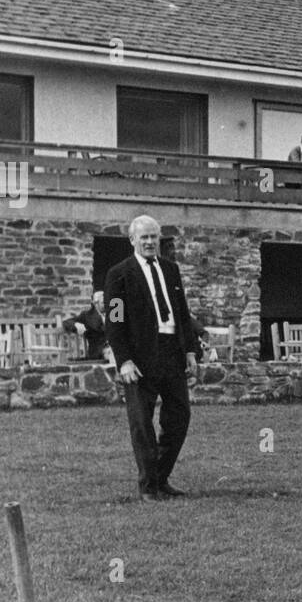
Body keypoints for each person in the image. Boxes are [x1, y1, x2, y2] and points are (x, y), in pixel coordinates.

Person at [104, 214, 202, 502]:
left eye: (153, 236)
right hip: (139, 358)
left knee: (180, 416)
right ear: (132, 240)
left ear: (160, 239)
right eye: (143, 237)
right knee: (142, 423)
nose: (149, 242)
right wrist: (124, 360)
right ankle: (149, 486)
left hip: (172, 351)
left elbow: (182, 313)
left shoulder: (171, 270)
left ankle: (161, 477)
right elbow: (115, 320)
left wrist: (190, 350)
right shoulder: (119, 274)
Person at [62, 291, 110, 362]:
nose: (107, 304)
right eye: (103, 302)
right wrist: (76, 325)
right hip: (98, 354)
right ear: (95, 303)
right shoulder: (87, 316)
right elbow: (66, 322)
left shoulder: (113, 314)